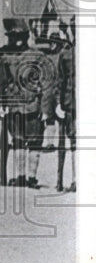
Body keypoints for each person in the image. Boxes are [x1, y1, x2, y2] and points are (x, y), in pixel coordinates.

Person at [0, 18, 55, 188]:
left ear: (27, 36)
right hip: (14, 105)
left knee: (35, 142)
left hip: (32, 105)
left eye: (20, 36)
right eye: (13, 37)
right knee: (18, 141)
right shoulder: (6, 57)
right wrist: (2, 105)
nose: (17, 40)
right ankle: (21, 176)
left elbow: (47, 84)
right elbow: (3, 82)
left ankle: (31, 176)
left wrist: (46, 110)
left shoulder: (38, 57)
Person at [54, 31, 76, 192]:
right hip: (70, 103)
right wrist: (58, 103)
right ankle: (76, 179)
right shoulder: (66, 52)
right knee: (74, 140)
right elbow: (60, 79)